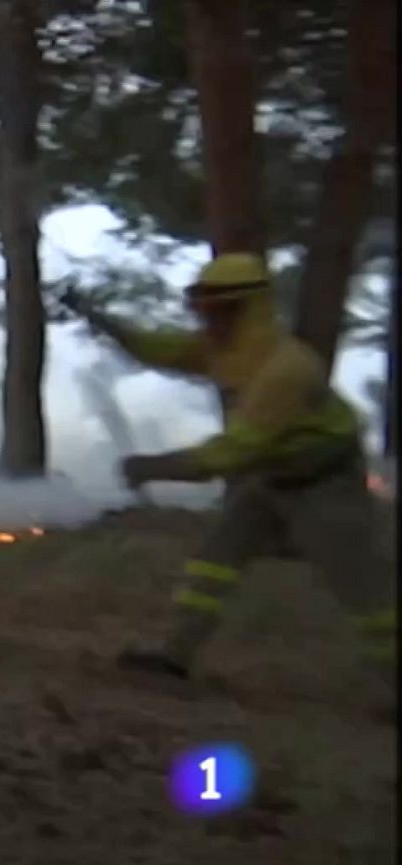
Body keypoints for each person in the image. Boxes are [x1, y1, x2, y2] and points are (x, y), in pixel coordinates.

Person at [62, 252, 395, 693]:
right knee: (213, 563)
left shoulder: (286, 369)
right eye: (202, 308)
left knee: (364, 589)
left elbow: (235, 450)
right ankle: (174, 655)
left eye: (216, 309)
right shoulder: (225, 349)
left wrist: (157, 467)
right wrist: (102, 321)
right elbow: (161, 348)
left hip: (325, 485)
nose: (206, 319)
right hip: (272, 477)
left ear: (246, 310)